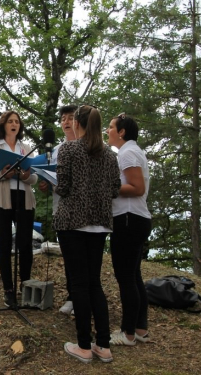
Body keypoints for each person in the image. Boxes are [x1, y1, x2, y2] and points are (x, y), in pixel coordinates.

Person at [52, 105, 121, 363]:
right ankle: (103, 345)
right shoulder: (110, 155)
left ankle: (83, 345)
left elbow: (65, 186)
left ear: (78, 124)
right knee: (94, 284)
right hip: (100, 223)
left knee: (78, 284)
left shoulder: (68, 149)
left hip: (72, 222)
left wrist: (55, 185)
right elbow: (115, 189)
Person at [0, 110, 38, 307]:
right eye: (10, 121)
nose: (14, 124)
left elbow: (34, 177)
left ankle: (26, 284)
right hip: (1, 198)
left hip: (23, 197)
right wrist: (2, 173)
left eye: (17, 121)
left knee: (25, 244)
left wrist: (25, 176)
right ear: (3, 125)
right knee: (4, 244)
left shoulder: (27, 148)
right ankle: (8, 289)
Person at [106, 114, 152, 346]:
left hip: (128, 218)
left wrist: (108, 187)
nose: (108, 130)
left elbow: (136, 187)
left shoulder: (127, 153)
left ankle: (127, 333)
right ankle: (140, 328)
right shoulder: (132, 151)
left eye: (112, 127)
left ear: (122, 132)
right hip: (134, 218)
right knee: (133, 276)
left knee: (126, 277)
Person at [39, 105, 78, 315]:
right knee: (69, 257)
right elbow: (51, 178)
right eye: (63, 118)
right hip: (60, 209)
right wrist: (45, 182)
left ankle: (84, 298)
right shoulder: (56, 150)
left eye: (70, 118)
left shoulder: (87, 146)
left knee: (83, 258)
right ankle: (72, 296)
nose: (66, 122)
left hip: (81, 212)